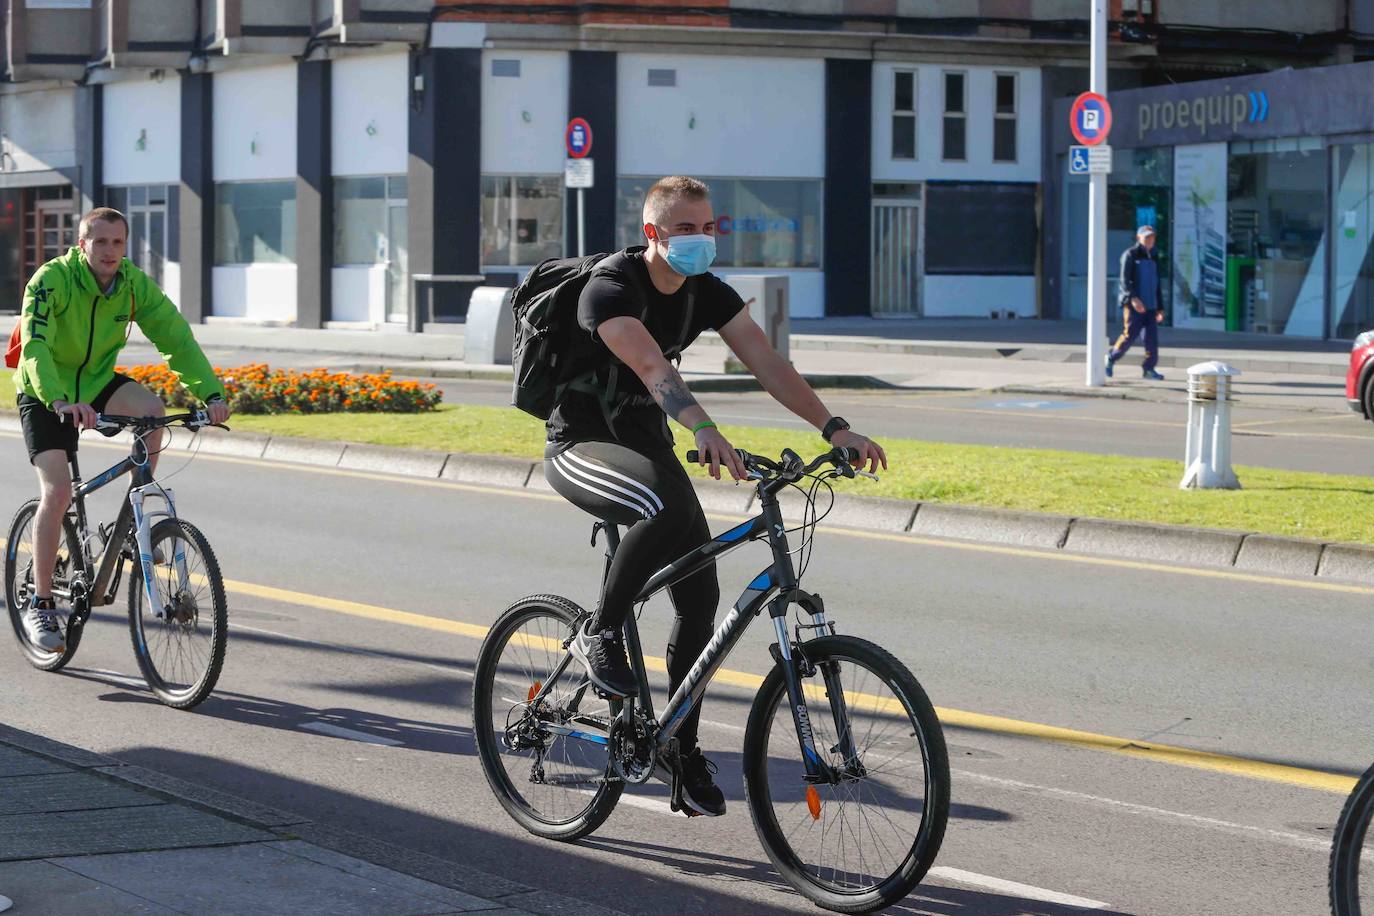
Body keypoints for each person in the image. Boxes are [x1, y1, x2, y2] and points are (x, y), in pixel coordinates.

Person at [543, 176, 886, 817]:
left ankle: (681, 749)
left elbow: (769, 363)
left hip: (647, 447)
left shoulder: (706, 292)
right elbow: (653, 368)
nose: (701, 240)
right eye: (685, 230)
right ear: (653, 234)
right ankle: (601, 632)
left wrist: (833, 428)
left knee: (700, 597)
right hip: (582, 446)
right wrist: (704, 428)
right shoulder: (611, 288)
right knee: (661, 509)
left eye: (708, 228)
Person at [12, 207, 231, 654]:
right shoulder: (52, 280)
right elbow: (33, 346)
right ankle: (41, 600)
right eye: (100, 241)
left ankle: (138, 499)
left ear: (125, 247)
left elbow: (175, 337)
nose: (110, 251)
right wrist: (57, 400)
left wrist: (210, 395)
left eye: (117, 243)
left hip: (93, 383)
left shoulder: (131, 284)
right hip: (44, 390)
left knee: (153, 411)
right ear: (82, 245)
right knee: (58, 493)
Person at [1106, 225, 1166, 381]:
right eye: (1147, 237)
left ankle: (1149, 369)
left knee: (1151, 339)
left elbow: (1157, 283)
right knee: (1129, 336)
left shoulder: (1154, 256)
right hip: (1134, 306)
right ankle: (1111, 358)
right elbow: (1124, 281)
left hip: (1151, 306)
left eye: (1152, 237)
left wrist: (1160, 307)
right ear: (1139, 237)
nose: (1150, 240)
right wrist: (1133, 298)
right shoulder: (1130, 255)